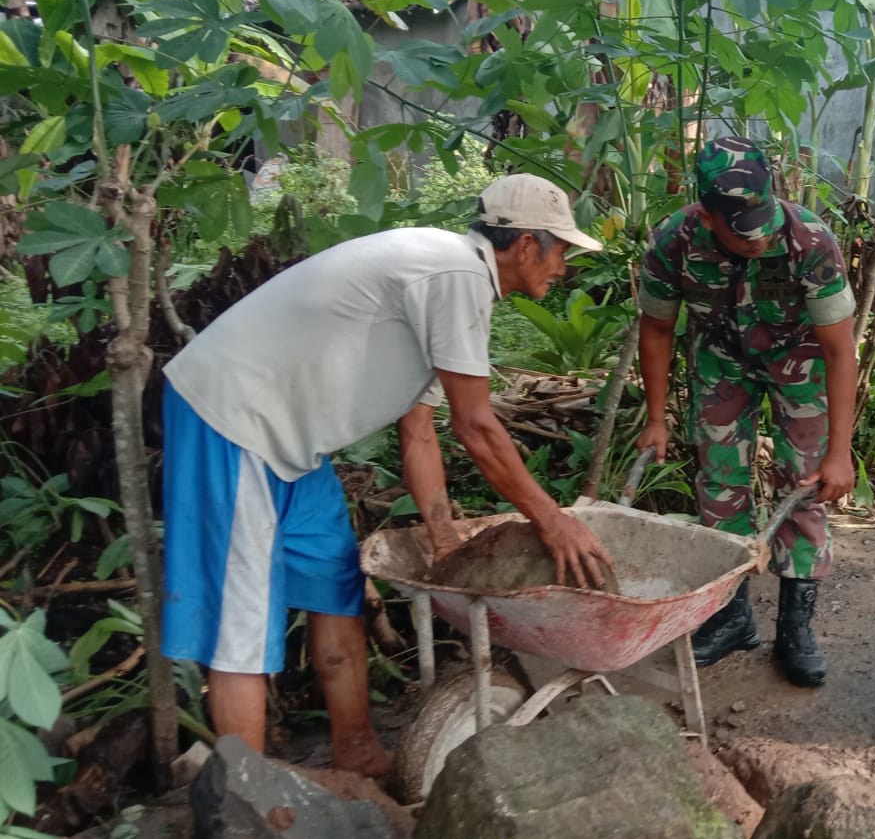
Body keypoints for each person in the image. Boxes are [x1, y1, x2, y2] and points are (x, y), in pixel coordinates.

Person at [161, 174, 613, 774]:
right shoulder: (454, 275)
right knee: (241, 622)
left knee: (334, 586)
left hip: (293, 445)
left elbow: (419, 428)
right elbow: (476, 428)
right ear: (526, 245)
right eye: (562, 250)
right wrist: (553, 521)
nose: (566, 267)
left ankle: (356, 751)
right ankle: (245, 802)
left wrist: (442, 533)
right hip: (233, 421)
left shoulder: (452, 283)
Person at [635, 137, 857, 687]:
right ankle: (731, 616)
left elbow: (839, 349)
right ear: (708, 216)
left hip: (799, 361)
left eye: (761, 217)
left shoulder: (809, 240)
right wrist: (657, 418)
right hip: (722, 361)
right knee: (719, 484)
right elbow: (657, 329)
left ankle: (794, 626)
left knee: (804, 484)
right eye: (740, 225)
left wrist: (840, 451)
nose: (756, 235)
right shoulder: (674, 242)